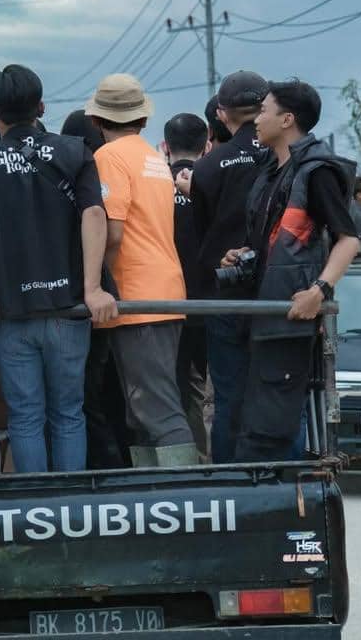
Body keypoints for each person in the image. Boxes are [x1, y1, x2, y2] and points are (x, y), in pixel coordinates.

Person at [0, 65, 117, 473]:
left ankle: (35, 512)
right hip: (69, 308)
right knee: (68, 413)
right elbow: (94, 214)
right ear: (42, 107)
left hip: (13, 310)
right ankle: (71, 509)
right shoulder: (75, 151)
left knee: (26, 416)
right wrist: (92, 288)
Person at [225, 80, 359, 461]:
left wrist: (319, 291)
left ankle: (287, 514)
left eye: (264, 110)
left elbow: (348, 239)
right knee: (255, 422)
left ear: (287, 119)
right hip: (261, 313)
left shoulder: (316, 171)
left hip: (289, 318)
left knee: (274, 428)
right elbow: (274, 241)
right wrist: (241, 254)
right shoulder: (272, 170)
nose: (256, 118)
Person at [87, 74, 197, 467]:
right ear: (144, 120)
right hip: (165, 289)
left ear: (97, 121)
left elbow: (112, 232)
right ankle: (155, 498)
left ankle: (183, 501)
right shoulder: (153, 157)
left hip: (135, 296)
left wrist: (94, 282)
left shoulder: (108, 158)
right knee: (145, 408)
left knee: (155, 408)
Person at [187, 70, 271, 463]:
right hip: (279, 292)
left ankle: (229, 482)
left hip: (225, 294)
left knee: (227, 395)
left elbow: (203, 238)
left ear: (221, 115)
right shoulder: (284, 156)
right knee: (279, 390)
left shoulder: (208, 168)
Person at [61, 109, 128, 469]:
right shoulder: (98, 174)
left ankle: (99, 469)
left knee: (83, 398)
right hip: (108, 296)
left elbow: (108, 230)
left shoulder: (71, 178)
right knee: (103, 395)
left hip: (77, 301)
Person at [163, 112, 211, 460]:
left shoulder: (154, 182)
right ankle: (206, 459)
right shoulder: (213, 180)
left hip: (163, 302)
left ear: (165, 145)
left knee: (170, 388)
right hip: (212, 301)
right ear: (206, 145)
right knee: (208, 391)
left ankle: (175, 465)